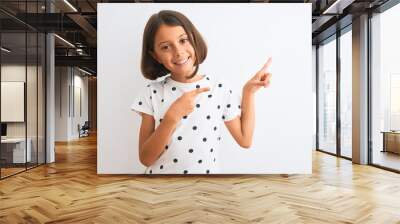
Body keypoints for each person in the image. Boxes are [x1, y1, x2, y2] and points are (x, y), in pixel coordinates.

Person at [131, 10, 271, 174]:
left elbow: (245, 140)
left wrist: (248, 93)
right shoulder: (151, 92)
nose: (178, 52)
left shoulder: (219, 87)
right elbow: (145, 159)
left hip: (206, 187)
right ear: (156, 56)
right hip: (162, 188)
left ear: (194, 41)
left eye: (183, 40)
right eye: (166, 47)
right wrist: (172, 116)